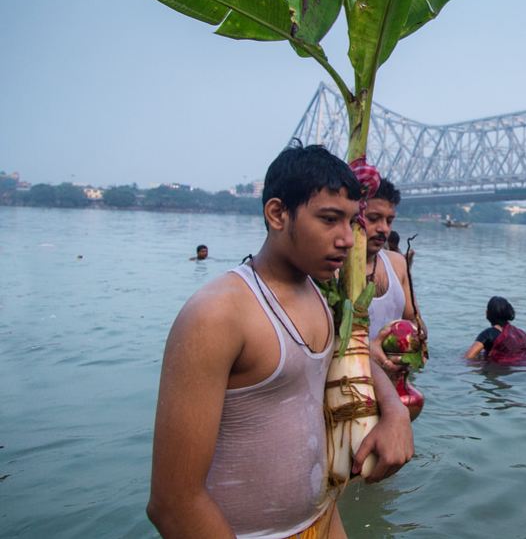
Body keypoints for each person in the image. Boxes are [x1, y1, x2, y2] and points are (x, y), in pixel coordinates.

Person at [147, 143, 414, 539]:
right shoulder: (217, 315)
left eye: (351, 222)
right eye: (329, 220)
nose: (346, 239)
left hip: (323, 519)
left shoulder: (322, 294)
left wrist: (394, 412)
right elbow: (173, 504)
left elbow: (351, 350)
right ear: (277, 214)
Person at [363, 178, 426, 373]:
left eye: (389, 220)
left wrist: (415, 338)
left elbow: (415, 321)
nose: (384, 228)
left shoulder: (397, 264)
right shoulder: (334, 269)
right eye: (373, 219)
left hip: (394, 381)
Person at [465, 296, 526, 362]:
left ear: (487, 313)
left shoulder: (488, 334)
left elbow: (468, 357)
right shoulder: (520, 333)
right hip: (525, 365)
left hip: (500, 369)